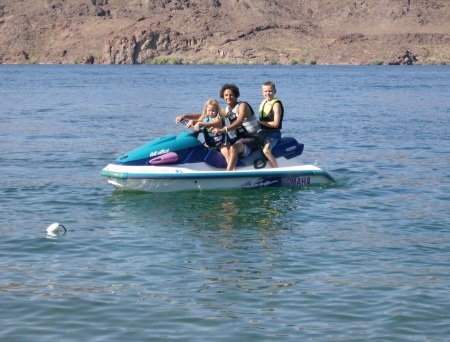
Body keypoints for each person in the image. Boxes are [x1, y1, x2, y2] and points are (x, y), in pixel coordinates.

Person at [176, 84, 259, 171]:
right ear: (223, 97)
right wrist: (185, 116)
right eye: (226, 95)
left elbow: (239, 122)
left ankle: (229, 172)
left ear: (236, 95)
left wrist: (223, 129)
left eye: (231, 95)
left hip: (251, 138)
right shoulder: (227, 110)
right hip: (238, 139)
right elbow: (205, 115)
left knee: (233, 148)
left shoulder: (243, 106)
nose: (228, 97)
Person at [257, 81, 284, 168]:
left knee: (266, 150)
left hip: (274, 133)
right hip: (263, 132)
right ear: (262, 92)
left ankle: (276, 171)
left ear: (275, 91)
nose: (268, 93)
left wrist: (260, 122)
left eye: (270, 91)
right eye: (265, 91)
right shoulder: (264, 103)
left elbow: (276, 124)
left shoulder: (276, 105)